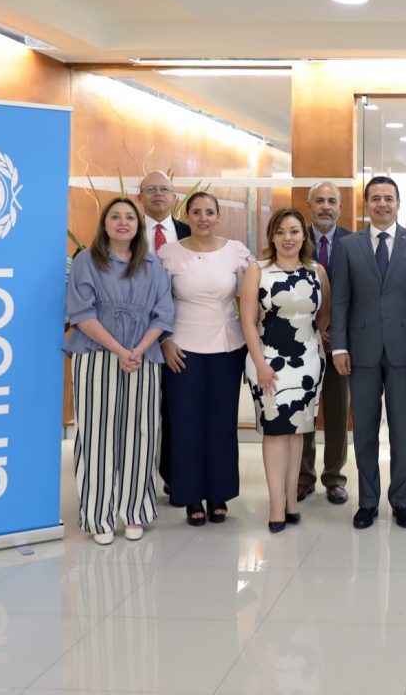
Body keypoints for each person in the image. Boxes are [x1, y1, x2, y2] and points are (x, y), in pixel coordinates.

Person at [330, 175, 406, 529]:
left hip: (404, 351)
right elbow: (340, 301)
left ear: (397, 203)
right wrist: (339, 346)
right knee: (363, 430)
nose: (382, 204)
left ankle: (402, 501)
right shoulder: (348, 246)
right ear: (366, 204)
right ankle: (367, 502)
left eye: (388, 198)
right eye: (375, 198)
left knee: (401, 429)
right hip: (360, 350)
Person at [64, 197, 174, 545]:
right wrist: (119, 349)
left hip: (143, 357)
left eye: (129, 217)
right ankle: (99, 516)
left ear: (139, 225)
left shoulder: (154, 266)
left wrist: (138, 349)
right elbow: (81, 314)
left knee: (141, 434)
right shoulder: (86, 261)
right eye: (115, 216)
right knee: (97, 435)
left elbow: (163, 314)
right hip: (96, 356)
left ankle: (135, 510)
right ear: (105, 223)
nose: (123, 222)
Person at [158, 191, 253, 526]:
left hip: (227, 347)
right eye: (196, 212)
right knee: (185, 423)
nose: (202, 218)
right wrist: (165, 341)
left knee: (222, 423)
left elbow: (248, 300)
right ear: (187, 216)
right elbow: (156, 303)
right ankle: (190, 496)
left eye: (209, 212)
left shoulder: (236, 251)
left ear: (218, 217)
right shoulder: (168, 254)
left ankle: (218, 494)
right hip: (182, 349)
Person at [241, 207, 330, 532]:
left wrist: (312, 344)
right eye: (280, 232)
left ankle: (292, 499)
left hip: (308, 362)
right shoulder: (258, 270)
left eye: (293, 231)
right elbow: (248, 321)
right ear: (272, 237)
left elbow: (323, 316)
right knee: (276, 432)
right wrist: (261, 364)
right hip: (268, 362)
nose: (287, 238)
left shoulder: (316, 270)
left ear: (303, 236)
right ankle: (276, 505)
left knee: (297, 432)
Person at [137, 170, 190, 504]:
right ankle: (137, 480)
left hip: (182, 337)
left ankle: (173, 477)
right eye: (151, 189)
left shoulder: (189, 233)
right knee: (140, 415)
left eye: (164, 189)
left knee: (175, 413)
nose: (158, 194)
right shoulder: (125, 230)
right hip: (133, 338)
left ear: (174, 197)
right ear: (139, 196)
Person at [298, 182, 352, 505]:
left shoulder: (354, 242)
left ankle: (334, 477)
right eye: (319, 200)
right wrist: (315, 330)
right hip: (301, 343)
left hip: (339, 345)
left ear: (340, 208)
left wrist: (338, 335)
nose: (326, 207)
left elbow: (358, 296)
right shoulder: (293, 237)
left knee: (337, 411)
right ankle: (303, 477)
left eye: (332, 201)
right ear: (309, 205)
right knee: (303, 410)